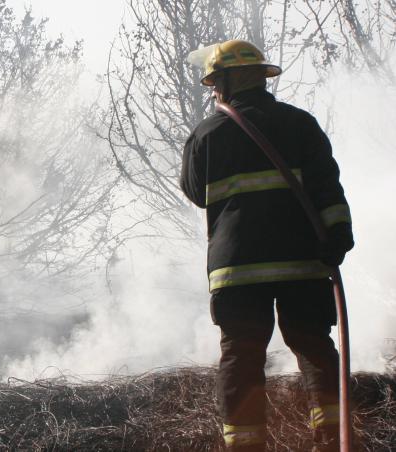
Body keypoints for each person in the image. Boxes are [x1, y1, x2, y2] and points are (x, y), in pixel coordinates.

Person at [181, 40, 354, 452]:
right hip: (304, 262)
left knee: (241, 355)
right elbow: (328, 189)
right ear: (261, 77)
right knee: (314, 345)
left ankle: (244, 445)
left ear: (223, 83)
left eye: (214, 84)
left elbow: (194, 191)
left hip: (237, 270)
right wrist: (338, 240)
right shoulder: (302, 124)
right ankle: (333, 439)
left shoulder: (207, 133)